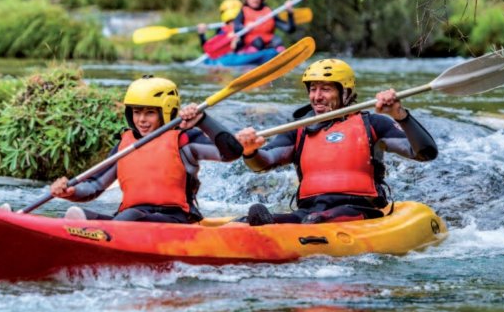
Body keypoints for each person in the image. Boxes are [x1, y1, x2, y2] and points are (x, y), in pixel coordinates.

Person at [234, 59, 438, 226]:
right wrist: (251, 151)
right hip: (309, 210)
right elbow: (264, 161)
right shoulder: (299, 130)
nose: (317, 97)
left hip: (359, 209)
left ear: (346, 93)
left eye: (325, 89)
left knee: (315, 221)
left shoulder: (373, 124)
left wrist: (399, 114)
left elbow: (424, 152)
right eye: (313, 89)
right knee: (248, 220)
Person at [50, 75, 243, 224]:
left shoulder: (185, 140)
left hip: (176, 220)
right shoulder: (124, 146)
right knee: (78, 215)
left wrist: (203, 120)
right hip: (129, 219)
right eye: (137, 112)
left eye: (149, 113)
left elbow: (232, 152)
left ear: (166, 111)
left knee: (131, 216)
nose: (141, 120)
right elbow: (93, 186)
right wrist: (71, 191)